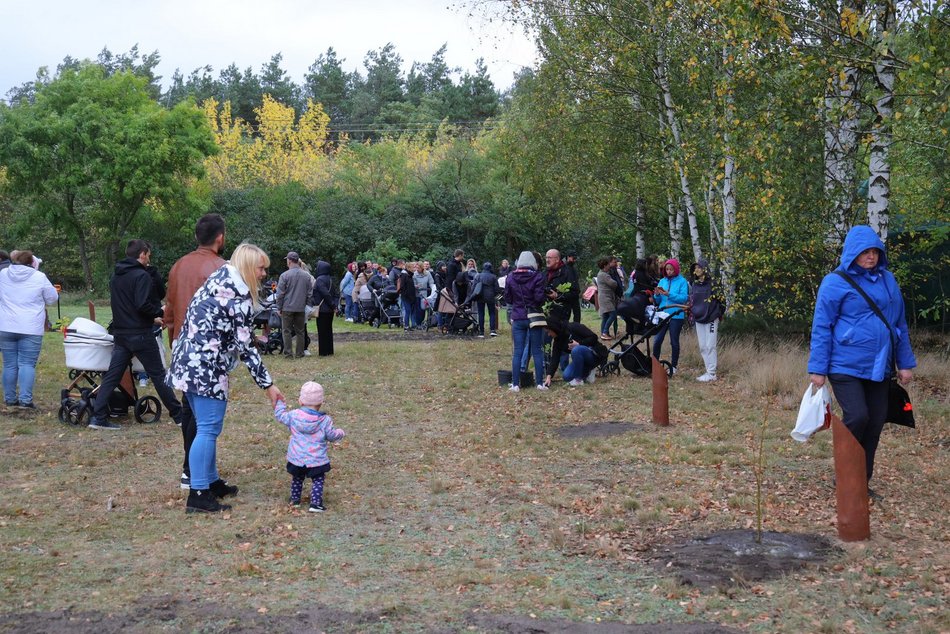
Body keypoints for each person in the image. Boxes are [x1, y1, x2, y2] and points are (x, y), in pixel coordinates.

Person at [168, 243, 283, 513]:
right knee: (208, 429)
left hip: (188, 361)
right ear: (246, 267)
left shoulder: (219, 280)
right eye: (261, 268)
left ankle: (209, 481)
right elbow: (245, 346)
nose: (264, 273)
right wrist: (268, 385)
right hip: (205, 367)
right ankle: (198, 494)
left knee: (204, 426)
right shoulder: (236, 295)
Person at [808, 225, 916, 490]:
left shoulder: (888, 280)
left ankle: (861, 483)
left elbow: (898, 324)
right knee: (858, 416)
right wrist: (818, 369)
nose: (871, 257)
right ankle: (845, 476)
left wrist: (905, 363)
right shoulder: (835, 282)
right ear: (852, 253)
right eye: (865, 252)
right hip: (844, 365)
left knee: (876, 420)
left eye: (875, 252)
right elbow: (822, 326)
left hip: (880, 366)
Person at [87, 240, 183, 431]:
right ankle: (179, 415)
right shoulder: (141, 276)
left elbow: (128, 306)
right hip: (140, 335)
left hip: (121, 334)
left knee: (112, 376)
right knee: (158, 375)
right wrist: (160, 312)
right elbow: (142, 305)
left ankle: (98, 417)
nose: (149, 258)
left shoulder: (117, 276)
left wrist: (151, 319)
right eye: (148, 255)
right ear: (142, 254)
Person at [164, 213, 227, 491]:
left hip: (179, 341)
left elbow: (168, 308)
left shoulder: (179, 265)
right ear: (220, 238)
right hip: (205, 348)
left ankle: (195, 470)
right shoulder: (220, 267)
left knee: (190, 408)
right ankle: (193, 472)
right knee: (204, 417)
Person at [273, 381, 346, 512]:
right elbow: (331, 435)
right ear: (320, 403)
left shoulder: (293, 416)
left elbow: (280, 415)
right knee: (318, 479)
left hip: (297, 458)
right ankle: (315, 503)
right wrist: (340, 433)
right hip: (316, 459)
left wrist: (279, 402)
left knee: (297, 478)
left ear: (300, 401)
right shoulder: (325, 420)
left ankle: (295, 500)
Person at [0, 250, 58, 409]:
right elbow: (52, 299)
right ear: (32, 263)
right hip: (30, 327)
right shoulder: (39, 277)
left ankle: (10, 398)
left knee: (9, 364)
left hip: (6, 325)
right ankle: (25, 400)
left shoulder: (3, 274)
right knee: (27, 364)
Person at [504, 251, 547, 392]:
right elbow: (540, 298)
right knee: (537, 351)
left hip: (518, 317)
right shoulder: (537, 277)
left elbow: (508, 299)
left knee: (518, 352)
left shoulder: (510, 277)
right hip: (533, 316)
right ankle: (540, 383)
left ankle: (515, 384)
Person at [543, 315, 608, 387]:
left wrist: (579, 344)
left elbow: (594, 337)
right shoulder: (557, 341)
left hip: (594, 354)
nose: (548, 335)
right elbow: (555, 358)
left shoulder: (573, 327)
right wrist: (549, 376)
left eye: (549, 331)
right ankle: (588, 371)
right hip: (581, 361)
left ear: (554, 328)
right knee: (566, 376)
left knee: (576, 350)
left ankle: (578, 380)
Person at [652, 258, 689, 374]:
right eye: (667, 269)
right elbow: (657, 301)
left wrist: (669, 294)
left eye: (671, 269)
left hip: (676, 315)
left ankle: (674, 366)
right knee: (657, 340)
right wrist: (656, 295)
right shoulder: (662, 281)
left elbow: (683, 298)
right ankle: (655, 364)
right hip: (663, 314)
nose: (668, 271)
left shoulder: (682, 281)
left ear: (676, 269)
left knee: (674, 341)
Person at [690, 258, 724, 382]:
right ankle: (708, 371)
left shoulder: (713, 284)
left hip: (710, 318)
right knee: (703, 346)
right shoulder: (694, 285)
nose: (696, 270)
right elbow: (692, 301)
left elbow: (722, 301)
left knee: (711, 346)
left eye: (699, 267)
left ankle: (712, 373)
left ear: (704, 268)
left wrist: (716, 313)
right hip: (699, 319)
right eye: (695, 268)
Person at [276, 251, 313, 359]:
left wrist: (279, 307)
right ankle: (300, 353)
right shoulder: (306, 276)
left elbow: (280, 294)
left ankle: (288, 354)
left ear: (290, 260)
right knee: (300, 331)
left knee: (286, 331)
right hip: (301, 307)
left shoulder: (284, 275)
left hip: (287, 307)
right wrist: (307, 305)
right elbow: (309, 293)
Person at [543, 249, 578, 323]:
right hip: (546, 313)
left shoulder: (567, 272)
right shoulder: (544, 273)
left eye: (549, 258)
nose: (547, 260)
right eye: (546, 257)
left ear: (557, 259)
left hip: (561, 315)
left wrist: (557, 295)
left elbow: (574, 293)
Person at [310, 260, 336, 356]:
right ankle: (329, 350)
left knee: (322, 330)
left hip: (322, 309)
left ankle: (323, 352)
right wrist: (334, 305)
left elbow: (325, 293)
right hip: (329, 309)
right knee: (328, 329)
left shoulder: (319, 279)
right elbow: (335, 293)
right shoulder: (330, 279)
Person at [595, 256, 621, 340]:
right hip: (606, 298)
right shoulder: (604, 275)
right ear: (605, 265)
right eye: (608, 265)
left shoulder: (601, 274)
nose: (609, 266)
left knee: (605, 316)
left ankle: (603, 333)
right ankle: (605, 332)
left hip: (604, 297)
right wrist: (616, 281)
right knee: (613, 314)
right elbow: (614, 284)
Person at [474, 262, 500, 337]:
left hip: (480, 296)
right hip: (490, 297)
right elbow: (497, 289)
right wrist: (494, 295)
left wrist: (473, 296)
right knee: (492, 313)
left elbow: (474, 286)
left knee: (481, 313)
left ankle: (481, 332)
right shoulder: (493, 277)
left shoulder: (478, 276)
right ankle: (492, 330)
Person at [395, 260, 417, 330]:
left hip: (411, 296)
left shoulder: (410, 275)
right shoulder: (404, 275)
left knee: (410, 311)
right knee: (408, 311)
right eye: (413, 267)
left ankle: (410, 325)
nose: (414, 269)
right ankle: (406, 326)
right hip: (406, 297)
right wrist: (407, 295)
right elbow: (403, 287)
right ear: (409, 268)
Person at [564, 252, 582, 322]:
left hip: (575, 294)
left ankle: (576, 329)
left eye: (575, 259)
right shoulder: (564, 268)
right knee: (566, 314)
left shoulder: (573, 268)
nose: (574, 260)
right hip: (568, 294)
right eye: (573, 258)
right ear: (568, 257)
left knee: (577, 314)